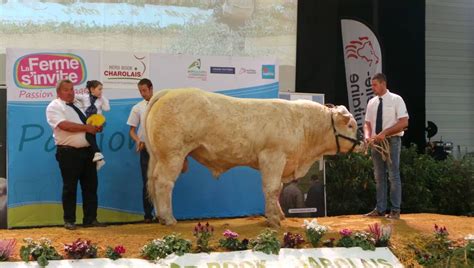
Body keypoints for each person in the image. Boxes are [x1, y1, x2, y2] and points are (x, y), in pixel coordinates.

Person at [46, 79, 106, 230]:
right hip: (68, 153)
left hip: (87, 151)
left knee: (91, 186)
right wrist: (87, 127)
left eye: (72, 89)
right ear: (58, 92)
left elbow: (90, 121)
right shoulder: (54, 106)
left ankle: (90, 218)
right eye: (66, 89)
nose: (71, 92)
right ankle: (69, 220)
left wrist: (96, 126)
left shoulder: (79, 103)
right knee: (70, 187)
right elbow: (64, 125)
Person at [363, 73, 409, 219]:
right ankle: (380, 209)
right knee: (379, 176)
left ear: (383, 84)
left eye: (375, 85)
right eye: (372, 85)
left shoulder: (396, 99)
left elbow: (404, 122)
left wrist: (385, 133)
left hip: (392, 140)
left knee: (393, 175)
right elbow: (367, 123)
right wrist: (367, 136)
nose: (373, 88)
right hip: (377, 143)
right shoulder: (372, 102)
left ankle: (395, 210)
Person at [127, 78, 155, 223]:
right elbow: (132, 130)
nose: (142, 94)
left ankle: (162, 213)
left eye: (144, 90)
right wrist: (138, 140)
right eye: (140, 91)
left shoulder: (161, 104)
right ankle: (148, 215)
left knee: (162, 181)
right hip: (145, 148)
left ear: (151, 88)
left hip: (160, 150)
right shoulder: (138, 107)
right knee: (147, 182)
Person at [76, 80, 109, 170]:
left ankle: (98, 154)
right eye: (99, 89)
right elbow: (74, 97)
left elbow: (107, 109)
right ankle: (98, 159)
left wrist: (103, 98)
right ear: (92, 89)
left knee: (88, 136)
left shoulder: (100, 100)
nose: (101, 91)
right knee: (90, 138)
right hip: (88, 120)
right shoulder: (85, 97)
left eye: (102, 89)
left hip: (97, 120)